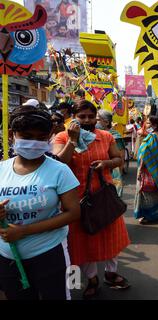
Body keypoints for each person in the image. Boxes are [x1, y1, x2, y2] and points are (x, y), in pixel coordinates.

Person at [0, 105, 81, 300]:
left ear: (49, 137)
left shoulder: (60, 170)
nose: (34, 142)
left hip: (50, 254)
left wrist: (24, 231)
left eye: (41, 137)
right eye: (27, 136)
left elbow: (73, 213)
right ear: (12, 135)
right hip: (7, 257)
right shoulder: (1, 169)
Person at [53, 100, 130, 299]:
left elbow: (118, 159)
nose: (87, 120)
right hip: (76, 201)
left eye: (90, 116)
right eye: (82, 116)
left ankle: (111, 274)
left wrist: (105, 163)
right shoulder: (62, 136)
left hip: (104, 198)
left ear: (96, 117)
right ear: (74, 117)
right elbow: (58, 163)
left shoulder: (105, 137)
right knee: (84, 242)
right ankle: (92, 279)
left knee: (111, 238)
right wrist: (73, 140)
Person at [134, 116, 158, 224]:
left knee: (147, 192)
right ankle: (157, 214)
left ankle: (149, 216)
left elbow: (145, 155)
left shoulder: (152, 137)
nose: (146, 125)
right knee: (155, 192)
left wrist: (140, 170)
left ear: (155, 125)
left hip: (148, 169)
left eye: (149, 123)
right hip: (157, 168)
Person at [96, 109, 126, 197]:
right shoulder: (95, 134)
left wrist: (118, 178)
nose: (94, 121)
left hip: (112, 174)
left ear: (106, 122)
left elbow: (121, 158)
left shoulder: (116, 137)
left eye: (97, 119)